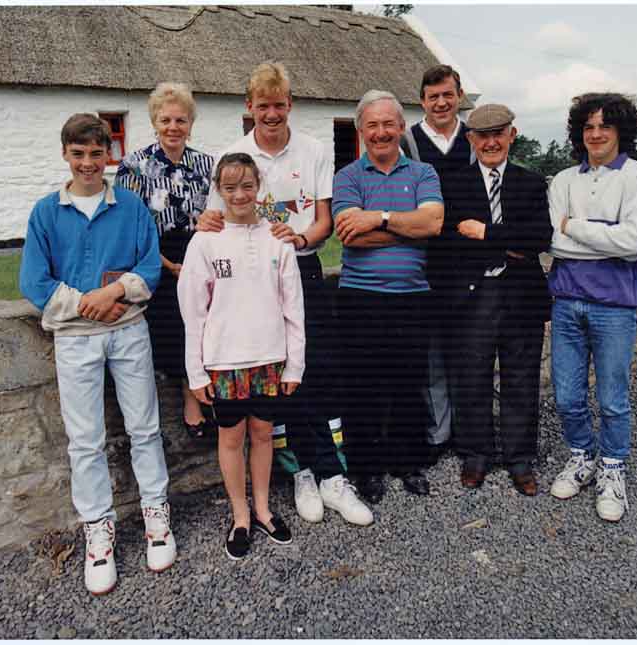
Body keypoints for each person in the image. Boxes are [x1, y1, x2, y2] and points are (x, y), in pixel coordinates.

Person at [197, 62, 373, 527]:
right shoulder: (233, 154)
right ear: (248, 107)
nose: (271, 114)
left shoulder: (313, 149)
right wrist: (205, 226)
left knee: (315, 368)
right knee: (275, 377)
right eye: (263, 106)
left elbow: (323, 220)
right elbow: (216, 220)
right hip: (252, 280)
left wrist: (299, 239)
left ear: (290, 104)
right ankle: (302, 472)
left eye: (279, 105)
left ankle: (333, 475)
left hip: (301, 266)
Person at [19, 113, 176, 595]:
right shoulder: (46, 212)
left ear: (109, 155)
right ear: (66, 154)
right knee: (85, 440)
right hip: (76, 338)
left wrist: (114, 296)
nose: (88, 163)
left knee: (144, 426)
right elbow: (34, 281)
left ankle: (156, 515)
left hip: (128, 329)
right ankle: (98, 532)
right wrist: (88, 305)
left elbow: (149, 266)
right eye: (78, 154)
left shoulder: (130, 208)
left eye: (96, 154)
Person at [178, 153, 305, 560]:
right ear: (218, 189)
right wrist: (196, 373)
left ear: (258, 187)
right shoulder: (205, 241)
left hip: (269, 358)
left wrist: (295, 363)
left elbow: (293, 307)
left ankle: (264, 508)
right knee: (231, 439)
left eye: (247, 186)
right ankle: (239, 516)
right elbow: (193, 313)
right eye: (229, 187)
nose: (239, 194)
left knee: (264, 434)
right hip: (224, 362)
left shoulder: (277, 239)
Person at [548, 93, 637, 522]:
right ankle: (581, 456)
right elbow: (552, 242)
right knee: (567, 395)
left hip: (614, 307)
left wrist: (574, 227)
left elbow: (633, 244)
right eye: (588, 127)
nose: (595, 134)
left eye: (605, 127)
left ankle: (612, 469)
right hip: (566, 302)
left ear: (621, 132)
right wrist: (605, 235)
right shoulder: (562, 180)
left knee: (613, 399)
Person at [332, 90, 444, 503]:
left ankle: (408, 461)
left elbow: (433, 224)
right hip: (360, 297)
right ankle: (367, 469)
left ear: (401, 127)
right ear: (361, 131)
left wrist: (377, 217)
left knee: (407, 380)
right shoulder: (347, 176)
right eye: (372, 125)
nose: (381, 133)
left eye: (388, 124)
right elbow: (350, 236)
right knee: (363, 386)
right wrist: (405, 224)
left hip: (412, 295)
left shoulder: (423, 173)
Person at [438, 104, 553, 496]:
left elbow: (539, 238)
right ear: (471, 140)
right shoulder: (452, 183)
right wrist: (511, 242)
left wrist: (485, 233)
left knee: (521, 377)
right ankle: (476, 454)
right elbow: (448, 240)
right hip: (472, 295)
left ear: (512, 135)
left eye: (498, 134)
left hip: (521, 295)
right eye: (482, 136)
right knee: (472, 376)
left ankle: (520, 458)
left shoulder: (532, 182)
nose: (490, 142)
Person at [114, 82, 215, 439]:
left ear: (191, 123)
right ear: (154, 122)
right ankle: (192, 401)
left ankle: (207, 394)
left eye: (181, 120)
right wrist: (168, 267)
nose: (174, 127)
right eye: (166, 119)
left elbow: (215, 214)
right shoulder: (134, 165)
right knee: (174, 329)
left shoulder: (205, 164)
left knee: (206, 328)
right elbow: (129, 225)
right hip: (154, 255)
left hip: (200, 254)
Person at [400, 64, 474, 463]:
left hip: (470, 262)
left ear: (458, 95)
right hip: (425, 263)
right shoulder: (408, 141)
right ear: (423, 101)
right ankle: (437, 434)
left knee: (468, 351)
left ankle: (469, 434)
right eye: (433, 97)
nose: (441, 102)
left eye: (448, 94)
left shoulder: (475, 136)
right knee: (431, 358)